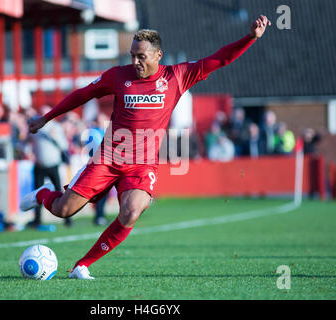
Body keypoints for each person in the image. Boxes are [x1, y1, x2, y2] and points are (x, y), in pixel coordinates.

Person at [20, 15, 271, 279]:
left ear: (158, 55)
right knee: (63, 210)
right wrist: (47, 118)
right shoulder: (118, 76)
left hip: (142, 164)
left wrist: (250, 37)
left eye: (141, 56)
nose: (135, 62)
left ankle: (82, 265)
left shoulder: (178, 76)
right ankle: (43, 194)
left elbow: (219, 59)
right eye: (132, 55)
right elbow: (83, 94)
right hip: (108, 157)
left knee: (130, 212)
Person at [28, 105, 71, 230]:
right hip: (39, 164)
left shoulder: (55, 127)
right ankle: (37, 220)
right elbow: (28, 140)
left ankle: (67, 217)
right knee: (36, 194)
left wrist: (54, 137)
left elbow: (63, 146)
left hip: (53, 164)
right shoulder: (36, 126)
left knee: (59, 191)